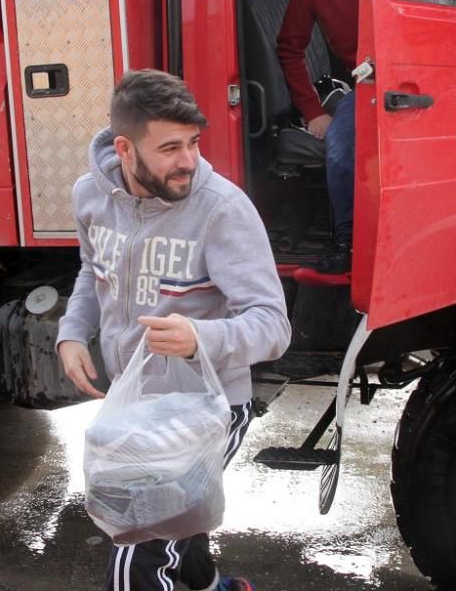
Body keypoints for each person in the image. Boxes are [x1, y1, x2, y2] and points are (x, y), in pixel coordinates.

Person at [56, 69, 291, 591]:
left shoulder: (223, 209)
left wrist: (199, 340)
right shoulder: (90, 197)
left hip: (207, 410)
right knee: (182, 523)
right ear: (124, 148)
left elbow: (274, 327)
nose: (188, 161)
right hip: (133, 402)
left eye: (193, 144)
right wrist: (72, 332)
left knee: (137, 547)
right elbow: (92, 271)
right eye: (169, 148)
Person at [277, 0, 456, 273]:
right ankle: (347, 243)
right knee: (341, 142)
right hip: (372, 85)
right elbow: (290, 48)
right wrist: (312, 111)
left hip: (438, 79)